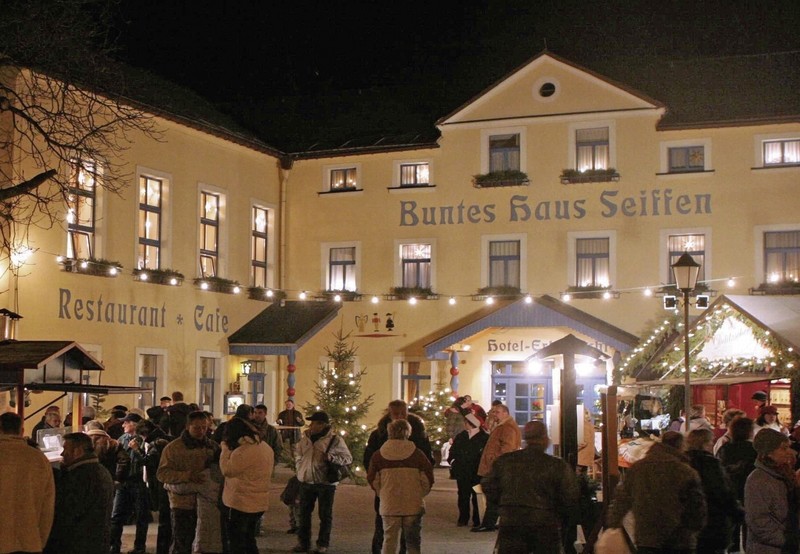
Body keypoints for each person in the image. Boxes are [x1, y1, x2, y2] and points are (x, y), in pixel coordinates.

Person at [482, 421, 580, 554]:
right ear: (545, 439)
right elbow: (570, 496)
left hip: (512, 520)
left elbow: (489, 485)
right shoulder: (556, 465)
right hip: (545, 523)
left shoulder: (505, 461)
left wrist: (503, 505)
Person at [607, 431, 706, 553]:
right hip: (679, 540)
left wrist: (613, 523)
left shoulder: (638, 468)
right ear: (680, 446)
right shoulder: (685, 471)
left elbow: (622, 499)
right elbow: (697, 507)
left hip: (647, 538)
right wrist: (692, 529)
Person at [364, 400, 433, 553]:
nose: (400, 416)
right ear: (389, 414)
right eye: (396, 414)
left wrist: (419, 490)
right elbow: (370, 465)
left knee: (408, 534)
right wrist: (379, 489)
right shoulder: (379, 434)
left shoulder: (419, 433)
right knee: (385, 530)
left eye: (403, 413)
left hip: (407, 491)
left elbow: (427, 465)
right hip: (388, 491)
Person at [157, 410, 221, 554]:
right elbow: (162, 474)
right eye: (197, 428)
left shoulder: (212, 446)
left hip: (206, 504)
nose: (202, 431)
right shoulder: (173, 448)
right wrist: (187, 476)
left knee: (203, 545)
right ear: (188, 427)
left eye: (204, 427)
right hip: (182, 503)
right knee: (182, 543)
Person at [44, 432, 115, 554]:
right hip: (96, 542)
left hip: (78, 544)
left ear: (77, 451)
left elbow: (66, 513)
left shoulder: (80, 477)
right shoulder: (99, 470)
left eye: (65, 449)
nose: (62, 454)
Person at [293, 411, 353, 554]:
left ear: (322, 425)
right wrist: (299, 466)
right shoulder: (305, 438)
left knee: (325, 515)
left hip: (325, 483)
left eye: (314, 422)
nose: (311, 425)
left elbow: (347, 458)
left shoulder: (335, 440)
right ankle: (303, 543)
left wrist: (332, 458)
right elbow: (298, 454)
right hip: (306, 481)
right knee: (304, 514)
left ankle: (322, 545)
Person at [0, 411, 55, 554]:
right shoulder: (39, 459)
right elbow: (47, 507)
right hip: (29, 540)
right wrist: (39, 541)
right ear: (21, 430)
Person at [220, 416, 274, 554]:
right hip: (259, 501)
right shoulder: (265, 447)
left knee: (237, 540)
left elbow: (227, 470)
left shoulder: (243, 451)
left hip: (241, 502)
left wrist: (225, 449)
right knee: (249, 538)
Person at [685, 428, 742, 554]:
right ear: (704, 443)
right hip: (713, 523)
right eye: (710, 441)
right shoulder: (710, 464)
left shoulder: (683, 462)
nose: (712, 444)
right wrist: (737, 513)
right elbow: (721, 492)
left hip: (690, 525)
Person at [745, 428, 799, 554]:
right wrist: (788, 540)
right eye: (783, 448)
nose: (789, 452)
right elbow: (759, 521)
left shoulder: (785, 475)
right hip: (769, 549)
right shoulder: (758, 480)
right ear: (769, 452)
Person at [473, 403, 521, 532]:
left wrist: (494, 460)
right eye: (494, 412)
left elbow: (507, 449)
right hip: (495, 467)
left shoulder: (507, 427)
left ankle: (489, 523)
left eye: (497, 412)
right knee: (495, 496)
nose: (495, 414)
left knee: (493, 495)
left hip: (496, 468)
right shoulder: (501, 426)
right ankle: (492, 522)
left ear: (505, 413)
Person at [109, 413, 150, 554]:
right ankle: (114, 546)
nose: (123, 425)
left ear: (134, 424)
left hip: (139, 483)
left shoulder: (144, 440)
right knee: (116, 515)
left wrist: (136, 450)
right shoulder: (122, 439)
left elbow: (147, 461)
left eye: (126, 422)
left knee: (141, 516)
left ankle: (139, 547)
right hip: (124, 482)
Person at [717, 416, 757, 553]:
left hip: (730, 492)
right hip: (749, 492)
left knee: (732, 528)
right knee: (749, 527)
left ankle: (733, 550)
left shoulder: (725, 449)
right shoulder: (754, 450)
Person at [137, 418, 173, 554]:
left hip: (161, 485)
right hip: (165, 484)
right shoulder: (164, 439)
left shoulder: (156, 443)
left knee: (164, 520)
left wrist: (137, 451)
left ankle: (162, 549)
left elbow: (149, 462)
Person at [447, 413, 488, 527]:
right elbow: (453, 451)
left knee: (477, 495)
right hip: (463, 471)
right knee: (463, 495)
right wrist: (453, 461)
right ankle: (463, 518)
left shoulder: (484, 438)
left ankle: (477, 518)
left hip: (477, 471)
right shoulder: (462, 436)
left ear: (469, 424)